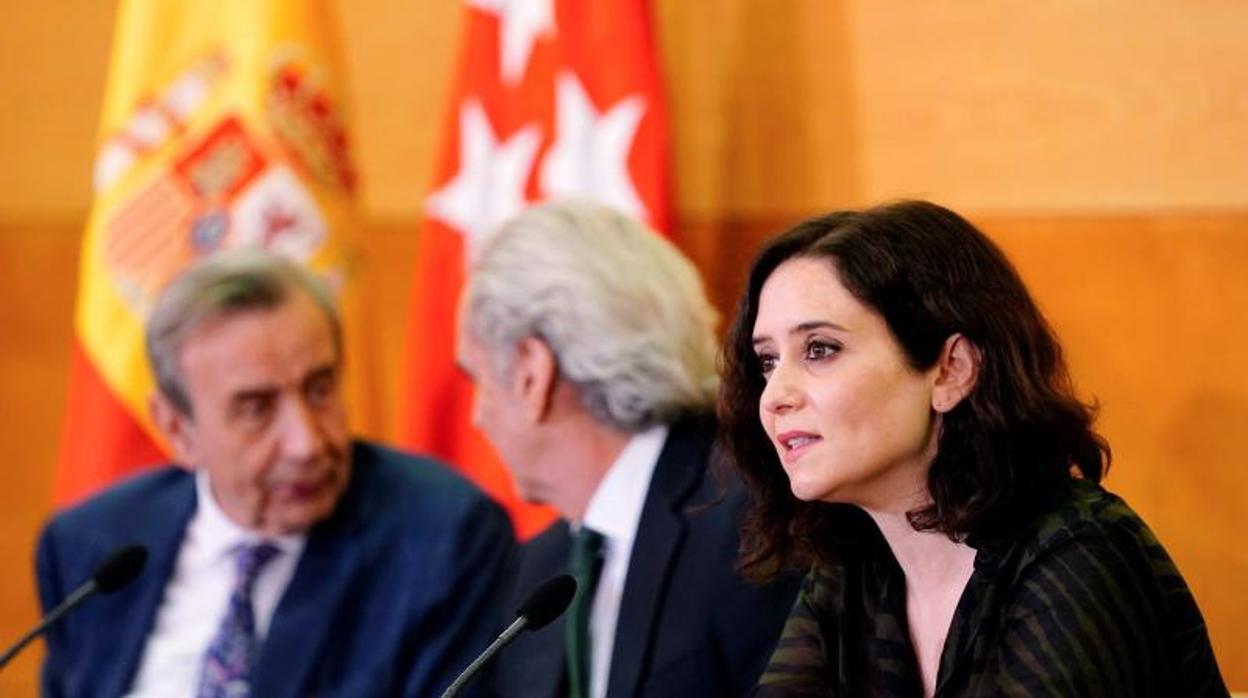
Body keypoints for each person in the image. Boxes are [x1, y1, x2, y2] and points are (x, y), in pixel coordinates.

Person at [719, 200, 1227, 696]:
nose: (775, 396)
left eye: (820, 350)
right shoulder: (853, 570)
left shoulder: (1079, 553)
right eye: (767, 361)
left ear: (952, 370)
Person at [36, 249, 514, 697]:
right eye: (256, 408)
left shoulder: (441, 540)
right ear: (177, 428)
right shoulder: (90, 548)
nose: (307, 443)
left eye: (320, 389)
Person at [457, 201, 800, 698]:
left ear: (532, 373)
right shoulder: (541, 571)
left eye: (477, 380)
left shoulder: (758, 523)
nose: (476, 416)